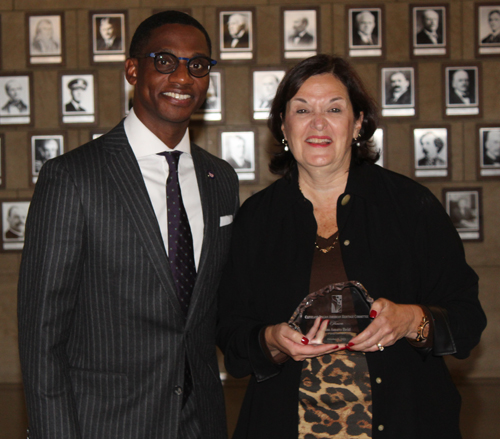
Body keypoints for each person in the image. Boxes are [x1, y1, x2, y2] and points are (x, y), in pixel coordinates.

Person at [216, 54, 486, 439]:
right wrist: (272, 341)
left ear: (358, 123)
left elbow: (467, 319)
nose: (318, 122)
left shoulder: (411, 205)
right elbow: (231, 333)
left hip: (405, 421)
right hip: (286, 425)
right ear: (282, 125)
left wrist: (410, 320)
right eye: (302, 109)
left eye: (335, 108)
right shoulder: (256, 218)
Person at [18, 10, 239, 439]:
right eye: (164, 61)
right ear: (133, 70)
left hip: (201, 422)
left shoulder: (220, 179)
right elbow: (41, 336)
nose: (182, 76)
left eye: (197, 65)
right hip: (104, 424)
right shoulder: (73, 177)